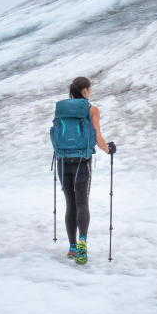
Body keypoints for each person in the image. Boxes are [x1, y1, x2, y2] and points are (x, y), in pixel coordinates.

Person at [53, 76, 115, 265]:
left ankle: (72, 248)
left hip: (63, 161)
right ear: (85, 91)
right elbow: (97, 136)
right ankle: (82, 241)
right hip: (82, 161)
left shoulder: (61, 108)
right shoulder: (92, 109)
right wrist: (109, 149)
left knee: (70, 204)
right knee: (82, 203)